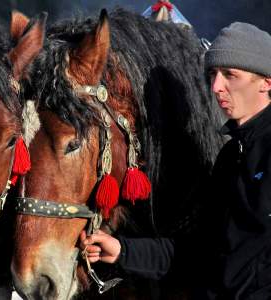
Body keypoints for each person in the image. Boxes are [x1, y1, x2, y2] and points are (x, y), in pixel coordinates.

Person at [80, 22, 271, 299]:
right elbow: (196, 252)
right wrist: (123, 250)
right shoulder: (230, 157)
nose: (217, 86)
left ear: (267, 82)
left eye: (231, 74)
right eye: (212, 74)